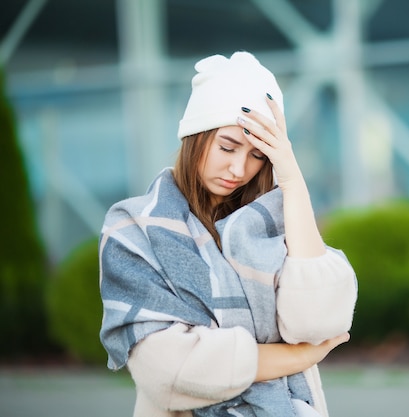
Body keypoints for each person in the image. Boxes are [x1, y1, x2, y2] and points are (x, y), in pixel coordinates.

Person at [98, 51, 358, 417]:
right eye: (227, 146)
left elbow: (318, 322)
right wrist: (297, 356)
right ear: (196, 136)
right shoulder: (134, 230)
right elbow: (168, 371)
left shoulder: (274, 226)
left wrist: (293, 184)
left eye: (258, 156)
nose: (239, 168)